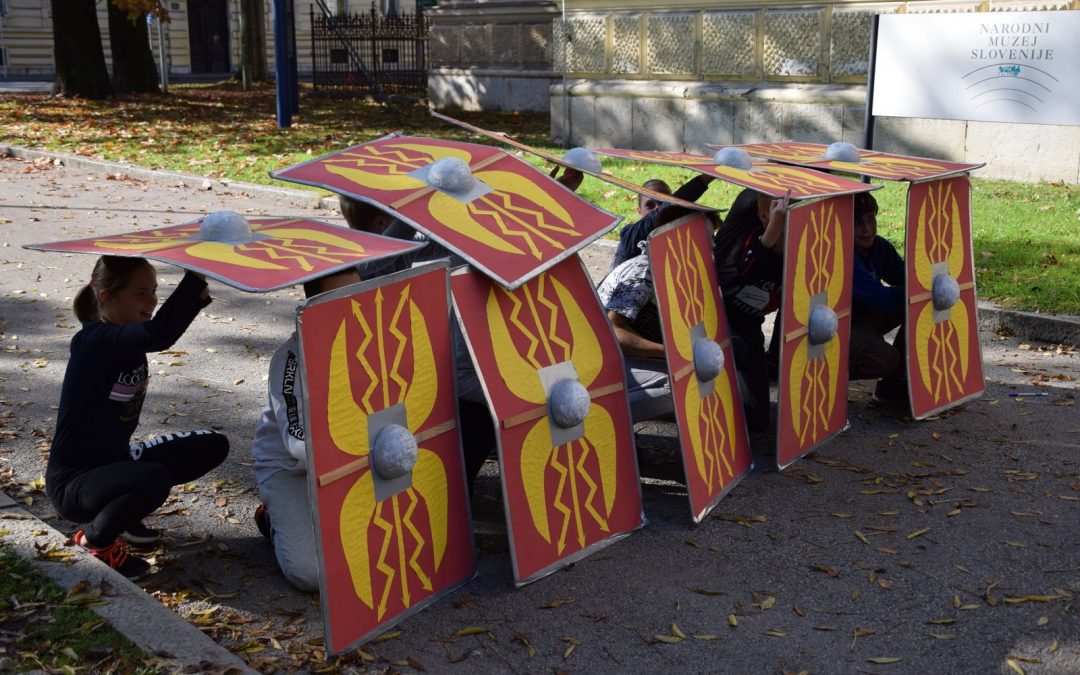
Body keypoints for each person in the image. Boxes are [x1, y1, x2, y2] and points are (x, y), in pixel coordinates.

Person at [46, 256, 229, 579]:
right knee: (153, 478)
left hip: (115, 462)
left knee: (212, 446)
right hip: (74, 485)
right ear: (107, 298)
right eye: (141, 292)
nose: (153, 300)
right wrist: (194, 276)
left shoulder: (124, 334)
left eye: (155, 290)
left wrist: (195, 298)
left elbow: (162, 335)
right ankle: (95, 543)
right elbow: (159, 335)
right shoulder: (94, 341)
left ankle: (123, 516)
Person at [713, 188, 791, 432]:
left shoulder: (802, 252)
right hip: (719, 322)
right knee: (737, 349)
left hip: (749, 326)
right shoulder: (741, 241)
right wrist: (775, 224)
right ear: (762, 214)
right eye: (780, 213)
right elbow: (754, 265)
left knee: (757, 423)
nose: (787, 218)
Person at [596, 244, 674, 423]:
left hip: (619, 358)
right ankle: (603, 422)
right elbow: (613, 335)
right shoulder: (645, 273)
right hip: (600, 359)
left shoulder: (670, 268)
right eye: (709, 237)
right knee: (681, 382)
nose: (713, 244)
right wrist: (671, 352)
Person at [848, 192, 907, 403]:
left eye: (871, 219)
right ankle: (825, 378)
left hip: (862, 317)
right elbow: (878, 297)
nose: (867, 229)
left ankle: (894, 385)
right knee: (887, 359)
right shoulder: (843, 253)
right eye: (857, 223)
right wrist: (920, 291)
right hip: (837, 327)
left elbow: (904, 276)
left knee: (917, 306)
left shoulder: (878, 246)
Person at [609, 174, 715, 271]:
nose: (657, 208)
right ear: (639, 211)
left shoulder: (680, 236)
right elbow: (661, 212)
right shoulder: (630, 235)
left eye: (662, 203)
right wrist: (703, 179)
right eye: (650, 205)